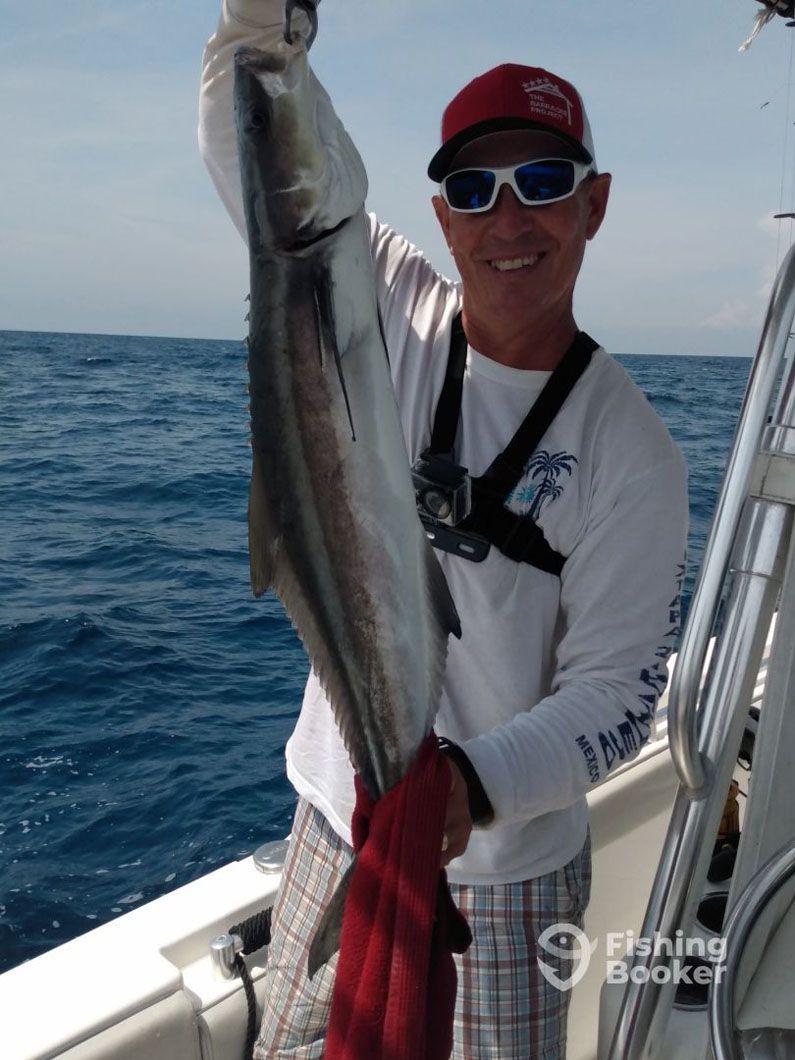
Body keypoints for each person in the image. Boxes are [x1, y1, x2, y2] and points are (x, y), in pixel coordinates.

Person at [199, 3, 689, 1057]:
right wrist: (255, 31)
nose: (509, 220)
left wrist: (463, 789)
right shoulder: (369, 287)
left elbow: (616, 700)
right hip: (340, 822)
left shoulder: (633, 451)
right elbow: (251, 152)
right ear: (442, 214)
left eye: (543, 184)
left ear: (594, 205)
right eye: (476, 191)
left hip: (512, 874)